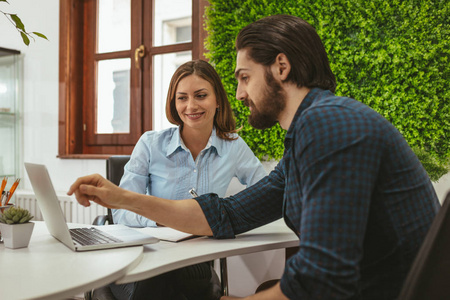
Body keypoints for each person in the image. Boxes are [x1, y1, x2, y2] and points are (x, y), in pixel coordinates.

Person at [69, 15, 441, 300]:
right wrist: (119, 197)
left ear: (281, 67)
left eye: (244, 77)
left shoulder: (328, 125)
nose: (240, 93)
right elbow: (225, 214)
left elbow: (321, 277)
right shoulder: (307, 136)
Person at [103, 60, 267, 300]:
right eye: (182, 98)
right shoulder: (150, 144)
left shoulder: (233, 147)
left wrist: (227, 215)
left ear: (218, 100)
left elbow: (264, 193)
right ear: (174, 102)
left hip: (194, 261)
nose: (191, 106)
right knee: (158, 275)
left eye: (201, 95)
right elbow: (120, 212)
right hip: (145, 255)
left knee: (173, 276)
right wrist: (161, 219)